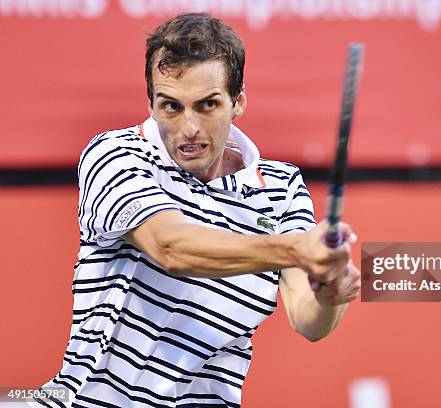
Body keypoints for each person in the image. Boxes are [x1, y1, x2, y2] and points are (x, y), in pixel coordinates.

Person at [32, 12, 360, 408]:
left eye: (207, 105)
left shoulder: (281, 187)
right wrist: (295, 249)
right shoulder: (115, 155)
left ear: (237, 102)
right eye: (171, 106)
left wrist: (330, 291)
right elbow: (172, 248)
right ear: (151, 103)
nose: (188, 127)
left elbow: (306, 317)